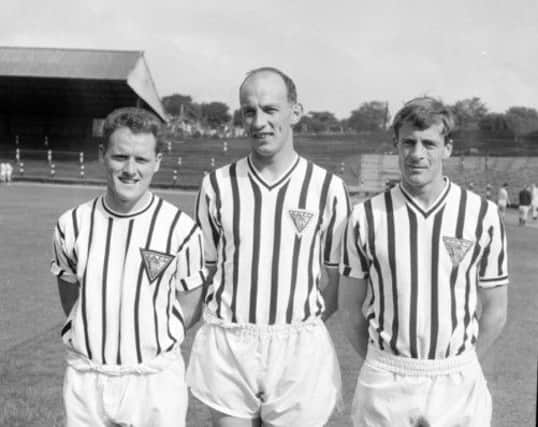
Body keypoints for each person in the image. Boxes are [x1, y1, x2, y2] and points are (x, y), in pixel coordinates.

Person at [186, 67, 350, 427]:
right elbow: (205, 270)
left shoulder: (328, 188)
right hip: (229, 341)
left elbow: (335, 280)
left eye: (270, 110)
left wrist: (295, 327)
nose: (259, 121)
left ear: (295, 111)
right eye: (249, 111)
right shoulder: (217, 185)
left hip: (298, 346)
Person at [339, 97, 508, 427]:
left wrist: (463, 363)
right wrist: (383, 363)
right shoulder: (364, 217)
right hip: (386, 378)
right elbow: (349, 309)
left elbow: (496, 309)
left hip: (457, 379)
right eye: (408, 143)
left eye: (429, 144)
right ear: (396, 146)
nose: (417, 154)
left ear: (448, 148)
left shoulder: (482, 215)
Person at [50, 107, 207, 427]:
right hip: (87, 380)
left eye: (142, 159)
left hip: (155, 380)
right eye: (120, 157)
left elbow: (190, 305)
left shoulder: (181, 228)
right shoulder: (72, 225)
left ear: (157, 163)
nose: (130, 170)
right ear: (102, 155)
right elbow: (72, 298)